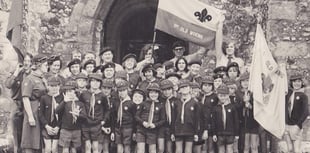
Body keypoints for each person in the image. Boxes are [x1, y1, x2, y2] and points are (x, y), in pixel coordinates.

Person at [5, 52, 33, 153]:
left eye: (28, 61)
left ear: (31, 63)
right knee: (16, 131)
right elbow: (8, 85)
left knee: (27, 131)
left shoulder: (33, 74)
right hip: (17, 105)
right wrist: (16, 72)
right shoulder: (17, 73)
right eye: (25, 61)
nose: (26, 63)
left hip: (29, 104)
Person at [21, 54, 48, 153]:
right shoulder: (29, 79)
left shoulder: (42, 78)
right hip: (32, 109)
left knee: (38, 140)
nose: (47, 67)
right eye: (45, 65)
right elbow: (25, 98)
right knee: (30, 139)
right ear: (39, 65)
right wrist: (30, 116)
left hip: (41, 110)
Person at [79, 73, 109, 153]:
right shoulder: (84, 94)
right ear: (89, 82)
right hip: (86, 123)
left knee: (95, 147)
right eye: (93, 81)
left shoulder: (102, 96)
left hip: (96, 124)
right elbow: (80, 106)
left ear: (100, 84)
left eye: (98, 82)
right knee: (87, 146)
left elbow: (107, 110)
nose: (95, 83)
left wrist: (104, 120)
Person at [56, 81, 86, 153]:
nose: (69, 93)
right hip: (65, 129)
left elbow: (84, 116)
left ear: (76, 92)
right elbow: (57, 111)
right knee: (65, 148)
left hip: (76, 129)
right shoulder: (64, 102)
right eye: (67, 91)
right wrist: (64, 102)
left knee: (74, 148)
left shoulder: (80, 103)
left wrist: (78, 115)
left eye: (71, 91)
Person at [135, 83, 166, 153]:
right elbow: (136, 116)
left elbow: (163, 120)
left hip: (153, 130)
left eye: (155, 93)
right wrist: (143, 122)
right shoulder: (143, 103)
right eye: (151, 92)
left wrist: (155, 125)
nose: (153, 95)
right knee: (140, 150)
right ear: (148, 93)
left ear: (158, 94)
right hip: (141, 129)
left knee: (152, 150)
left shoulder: (160, 106)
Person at [172, 79, 199, 153]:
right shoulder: (176, 102)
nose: (184, 89)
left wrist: (196, 133)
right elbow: (173, 118)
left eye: (186, 87)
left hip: (190, 129)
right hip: (178, 129)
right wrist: (172, 132)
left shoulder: (195, 103)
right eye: (182, 87)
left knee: (188, 149)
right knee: (178, 149)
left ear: (190, 89)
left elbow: (197, 119)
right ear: (179, 90)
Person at [284, 73, 308, 153]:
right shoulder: (289, 94)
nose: (296, 83)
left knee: (297, 149)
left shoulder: (303, 96)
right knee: (289, 149)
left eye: (298, 81)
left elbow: (306, 112)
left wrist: (298, 125)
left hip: (296, 126)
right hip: (287, 126)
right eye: (294, 81)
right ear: (291, 83)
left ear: (302, 83)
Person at [212, 85, 239, 153]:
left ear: (228, 96)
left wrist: (236, 134)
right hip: (219, 133)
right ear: (218, 96)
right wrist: (214, 134)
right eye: (221, 96)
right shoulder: (216, 108)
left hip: (230, 133)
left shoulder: (232, 108)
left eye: (224, 96)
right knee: (221, 150)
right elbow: (213, 122)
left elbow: (236, 121)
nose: (222, 98)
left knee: (229, 150)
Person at [236, 72, 259, 153]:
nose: (245, 83)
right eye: (243, 81)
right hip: (243, 122)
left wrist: (251, 106)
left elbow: (259, 107)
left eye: (247, 81)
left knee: (254, 146)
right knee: (245, 146)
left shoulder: (255, 93)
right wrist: (243, 101)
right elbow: (236, 108)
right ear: (240, 82)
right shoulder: (238, 93)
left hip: (253, 121)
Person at [39, 76, 63, 153]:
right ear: (48, 86)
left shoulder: (62, 98)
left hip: (57, 127)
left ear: (59, 86)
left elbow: (64, 115)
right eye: (52, 86)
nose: (54, 88)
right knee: (48, 148)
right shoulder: (44, 98)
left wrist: (58, 127)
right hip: (47, 127)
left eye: (56, 86)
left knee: (54, 149)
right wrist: (46, 126)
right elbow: (40, 114)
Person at [112, 80, 136, 153]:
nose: (122, 92)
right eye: (120, 91)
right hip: (118, 127)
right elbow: (113, 117)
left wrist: (134, 131)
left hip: (128, 128)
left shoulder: (131, 103)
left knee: (127, 146)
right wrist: (113, 131)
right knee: (119, 145)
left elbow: (135, 118)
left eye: (124, 90)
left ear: (127, 90)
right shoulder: (116, 102)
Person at [159, 79, 178, 153]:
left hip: (171, 127)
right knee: (160, 148)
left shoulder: (176, 100)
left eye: (169, 89)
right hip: (160, 127)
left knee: (169, 149)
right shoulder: (159, 100)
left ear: (172, 89)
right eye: (164, 90)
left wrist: (174, 130)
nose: (166, 92)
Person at [199, 76, 218, 153]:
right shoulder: (200, 96)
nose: (207, 87)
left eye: (209, 85)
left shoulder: (215, 97)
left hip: (211, 123)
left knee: (210, 146)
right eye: (205, 85)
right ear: (202, 86)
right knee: (203, 147)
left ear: (212, 86)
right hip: (201, 123)